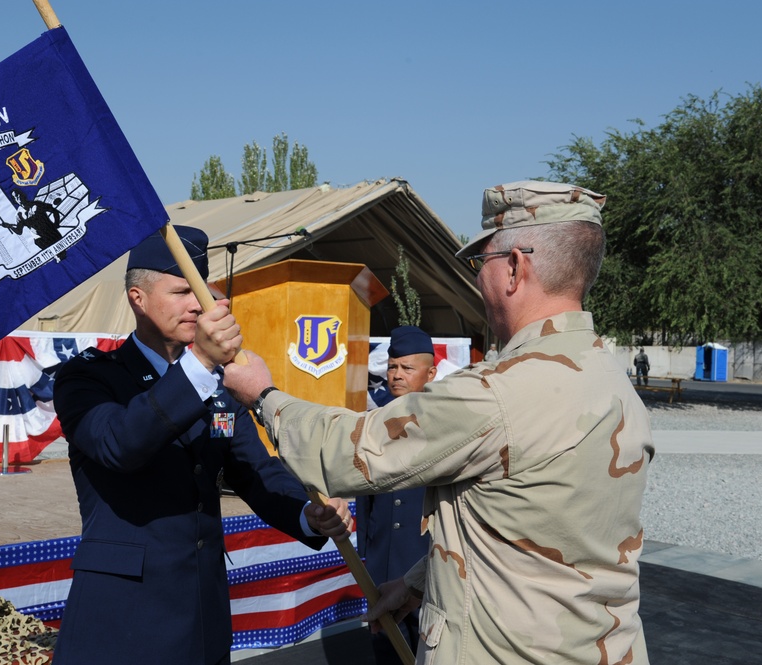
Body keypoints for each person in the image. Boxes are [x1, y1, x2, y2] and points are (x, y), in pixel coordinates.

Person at [224, 181, 654, 664]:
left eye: (480, 264)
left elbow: (350, 451)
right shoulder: (611, 380)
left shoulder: (499, 392)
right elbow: (529, 533)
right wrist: (414, 586)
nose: (477, 281)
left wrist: (263, 394)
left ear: (514, 268)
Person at [51, 225, 350, 665]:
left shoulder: (217, 384)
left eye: (201, 291)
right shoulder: (92, 377)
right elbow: (120, 444)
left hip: (202, 618)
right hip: (122, 618)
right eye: (180, 292)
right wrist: (202, 362)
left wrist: (308, 515)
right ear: (138, 298)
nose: (198, 304)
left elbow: (253, 468)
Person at [356, 325, 435, 663]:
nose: (396, 375)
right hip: (384, 564)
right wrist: (367, 554)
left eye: (407, 368)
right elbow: (364, 499)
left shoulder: (442, 423)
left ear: (430, 373)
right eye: (392, 367)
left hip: (427, 566)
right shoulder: (372, 422)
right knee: (385, 652)